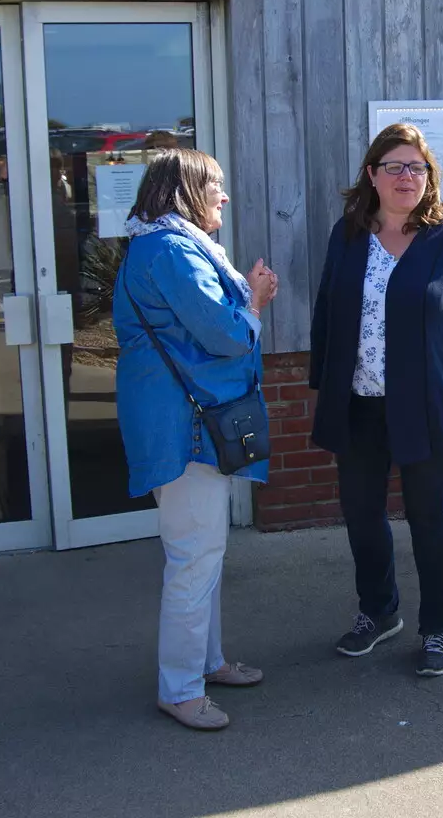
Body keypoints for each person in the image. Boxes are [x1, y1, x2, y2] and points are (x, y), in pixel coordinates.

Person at [309, 123, 443, 678]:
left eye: (416, 168)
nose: (405, 177)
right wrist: (323, 385)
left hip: (427, 406)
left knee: (428, 518)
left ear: (429, 178)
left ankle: (438, 626)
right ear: (371, 174)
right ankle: (379, 610)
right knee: (362, 515)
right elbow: (326, 311)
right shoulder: (347, 235)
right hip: (359, 402)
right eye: (393, 166)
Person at [113, 148, 279, 730]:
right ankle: (180, 690)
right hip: (186, 427)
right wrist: (256, 299)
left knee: (203, 553)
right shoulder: (172, 250)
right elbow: (226, 334)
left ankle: (204, 664)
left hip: (182, 420)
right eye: (216, 187)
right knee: (192, 557)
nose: (224, 198)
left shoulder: (160, 244)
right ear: (185, 191)